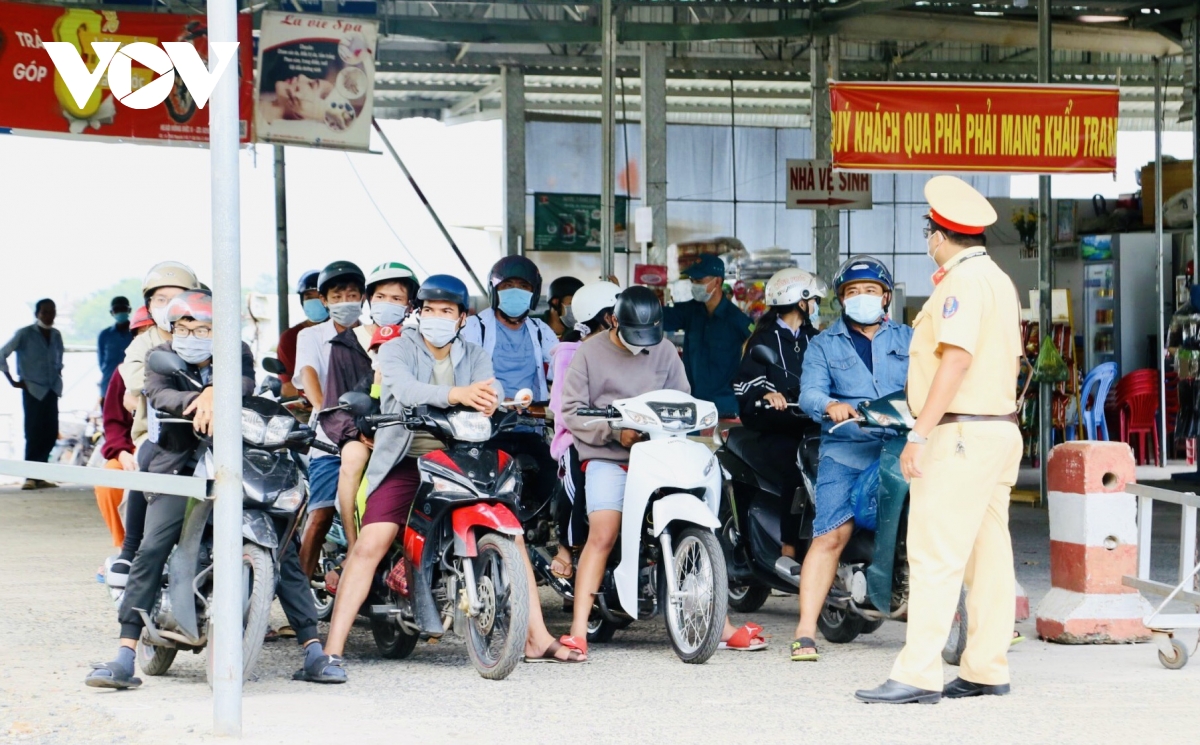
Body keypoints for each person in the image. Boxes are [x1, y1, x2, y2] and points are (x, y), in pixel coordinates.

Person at [311, 275, 583, 683]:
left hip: (461, 454)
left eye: (448, 312)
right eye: (431, 310)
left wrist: (495, 402)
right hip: (406, 458)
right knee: (372, 542)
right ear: (418, 314)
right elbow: (401, 388)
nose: (438, 318)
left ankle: (538, 638)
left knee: (514, 535)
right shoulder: (398, 349)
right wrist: (458, 395)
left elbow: (488, 394)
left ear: (461, 319)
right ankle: (331, 651)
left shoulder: (475, 354)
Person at [86, 290, 330, 689]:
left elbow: (245, 383)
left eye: (204, 329)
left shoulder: (237, 352)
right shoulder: (159, 358)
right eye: (185, 327)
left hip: (235, 462)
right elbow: (160, 396)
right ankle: (125, 652)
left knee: (283, 549)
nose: (193, 335)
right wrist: (200, 397)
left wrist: (217, 391)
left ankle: (314, 650)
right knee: (153, 546)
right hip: (177, 464)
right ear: (172, 329)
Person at [856, 176, 1022, 704]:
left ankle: (919, 672)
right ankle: (986, 667)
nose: (927, 239)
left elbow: (956, 358)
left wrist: (919, 433)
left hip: (959, 434)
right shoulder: (998, 279)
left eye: (928, 230)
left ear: (938, 235)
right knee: (988, 557)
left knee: (933, 554)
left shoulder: (960, 284)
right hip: (998, 430)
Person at [559, 286, 766, 658]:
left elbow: (683, 398)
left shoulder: (666, 350)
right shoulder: (589, 353)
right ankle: (577, 631)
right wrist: (612, 431)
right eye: (634, 336)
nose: (643, 344)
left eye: (650, 336)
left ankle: (720, 623)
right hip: (609, 455)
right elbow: (571, 411)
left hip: (658, 451)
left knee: (695, 523)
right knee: (603, 531)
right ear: (612, 320)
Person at [795, 256, 912, 664]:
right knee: (831, 535)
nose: (862, 298)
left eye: (870, 290)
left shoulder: (910, 338)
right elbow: (809, 392)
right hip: (847, 450)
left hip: (903, 445)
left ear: (885, 297)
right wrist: (830, 405)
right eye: (853, 292)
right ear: (842, 300)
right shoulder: (824, 344)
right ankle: (805, 631)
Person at [319, 262, 419, 553]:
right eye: (381, 296)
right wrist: (360, 433)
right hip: (363, 431)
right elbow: (333, 407)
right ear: (369, 300)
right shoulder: (346, 344)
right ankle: (353, 544)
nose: (388, 304)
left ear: (409, 305)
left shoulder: (416, 342)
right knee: (352, 458)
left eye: (397, 298)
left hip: (408, 427)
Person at [731, 268, 827, 559]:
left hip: (814, 427)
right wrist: (766, 396)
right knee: (796, 469)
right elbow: (746, 383)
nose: (816, 306)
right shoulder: (763, 341)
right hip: (777, 431)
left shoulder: (817, 339)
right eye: (813, 300)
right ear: (801, 302)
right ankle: (788, 547)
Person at [461, 256, 559, 533]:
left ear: (534, 293)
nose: (515, 291)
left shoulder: (541, 331)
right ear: (494, 291)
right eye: (507, 285)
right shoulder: (473, 327)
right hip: (488, 426)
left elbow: (562, 371)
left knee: (552, 476)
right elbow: (463, 374)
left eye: (523, 286)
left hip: (531, 425)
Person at [295, 261, 366, 583]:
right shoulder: (312, 336)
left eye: (352, 294)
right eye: (337, 296)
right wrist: (328, 410)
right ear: (324, 300)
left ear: (363, 298)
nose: (345, 301)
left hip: (372, 432)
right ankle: (299, 602)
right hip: (328, 434)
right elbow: (308, 375)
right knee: (321, 513)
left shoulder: (372, 334)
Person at [547, 280, 621, 580]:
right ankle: (567, 548)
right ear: (607, 317)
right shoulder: (569, 353)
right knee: (576, 486)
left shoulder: (620, 349)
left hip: (613, 435)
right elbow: (565, 410)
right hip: (574, 439)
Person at [94, 307, 155, 554]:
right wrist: (121, 453)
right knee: (108, 482)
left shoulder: (181, 368)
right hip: (132, 448)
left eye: (153, 333)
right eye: (141, 335)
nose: (148, 340)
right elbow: (112, 422)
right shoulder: (122, 373)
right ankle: (123, 548)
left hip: (170, 448)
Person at [663, 254, 754, 418]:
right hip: (692, 406)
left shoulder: (737, 320)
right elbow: (657, 316)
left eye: (699, 280)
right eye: (692, 280)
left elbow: (758, 345)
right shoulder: (691, 312)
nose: (694, 285)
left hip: (725, 409)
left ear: (717, 281)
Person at [1, 298, 65, 490]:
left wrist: (58, 375)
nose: (49, 315)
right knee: (33, 432)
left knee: (50, 432)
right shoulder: (25, 334)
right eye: (45, 312)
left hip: (51, 389)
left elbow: (59, 359)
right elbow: (2, 353)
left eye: (52, 311)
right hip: (33, 389)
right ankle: (29, 476)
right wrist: (12, 380)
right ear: (37, 313)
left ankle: (41, 475)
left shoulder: (56, 335)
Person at [277, 270, 325, 398]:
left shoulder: (347, 332)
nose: (315, 301)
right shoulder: (291, 338)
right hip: (304, 408)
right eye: (309, 297)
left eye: (319, 296)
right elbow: (289, 388)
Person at [97, 296, 133, 401]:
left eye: (123, 308)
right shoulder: (104, 335)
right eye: (117, 309)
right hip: (108, 385)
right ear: (111, 312)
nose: (120, 312)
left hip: (131, 385)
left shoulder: (136, 333)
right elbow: (101, 363)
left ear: (129, 310)